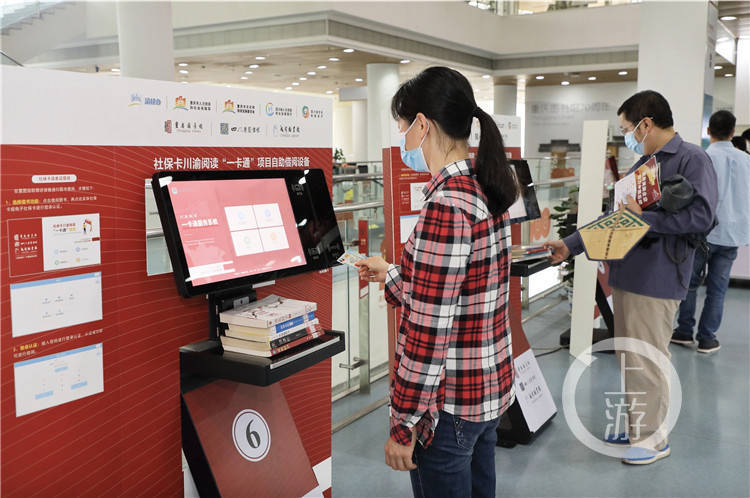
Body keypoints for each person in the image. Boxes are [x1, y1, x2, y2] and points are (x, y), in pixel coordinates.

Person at [357, 66, 518, 498]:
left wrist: (403, 423)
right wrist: (390, 272)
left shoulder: (445, 207)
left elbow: (427, 332)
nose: (403, 141)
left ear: (423, 124)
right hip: (487, 388)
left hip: (448, 408)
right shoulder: (488, 187)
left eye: (402, 128)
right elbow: (463, 295)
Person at [545, 90, 718, 465]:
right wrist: (571, 244)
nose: (627, 136)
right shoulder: (643, 164)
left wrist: (646, 219)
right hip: (628, 273)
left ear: (646, 123)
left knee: (648, 359)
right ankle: (641, 425)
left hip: (657, 277)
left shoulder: (692, 160)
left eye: (628, 128)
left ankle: (653, 439)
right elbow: (618, 218)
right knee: (630, 357)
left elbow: (701, 218)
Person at [672, 110, 750, 352]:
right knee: (718, 288)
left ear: (708, 131)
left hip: (702, 232)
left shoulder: (701, 158)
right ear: (733, 132)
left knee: (690, 283)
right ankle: (708, 338)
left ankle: (684, 332)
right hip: (733, 234)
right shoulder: (747, 160)